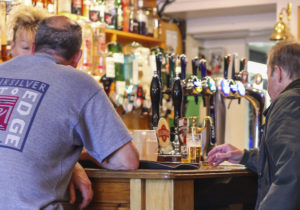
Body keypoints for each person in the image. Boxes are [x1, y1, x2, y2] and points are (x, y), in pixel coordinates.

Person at [0, 15, 139, 209]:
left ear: (34, 49)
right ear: (77, 58)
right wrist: (84, 157)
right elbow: (127, 161)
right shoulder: (81, 83)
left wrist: (72, 164)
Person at [7, 5, 93, 209]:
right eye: (25, 48)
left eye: (38, 50)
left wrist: (73, 166)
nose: (32, 56)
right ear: (11, 47)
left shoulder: (56, 88)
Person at [208, 41, 300, 210]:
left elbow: (292, 170)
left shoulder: (288, 102)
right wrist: (244, 156)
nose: (268, 86)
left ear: (278, 73)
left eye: (268, 75)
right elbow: (283, 157)